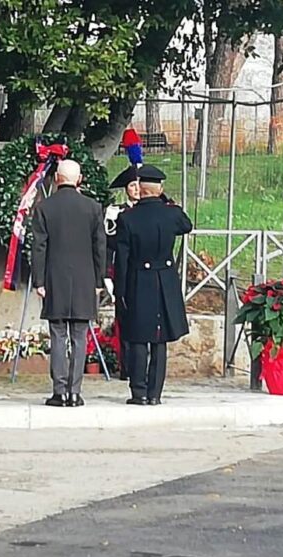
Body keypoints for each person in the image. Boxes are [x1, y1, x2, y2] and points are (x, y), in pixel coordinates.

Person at [114, 164, 193, 406]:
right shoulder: (171, 213)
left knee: (138, 337)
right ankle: (155, 393)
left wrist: (120, 291)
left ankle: (138, 393)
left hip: (138, 280)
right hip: (165, 281)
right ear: (159, 189)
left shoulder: (127, 218)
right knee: (159, 340)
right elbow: (186, 224)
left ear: (140, 189)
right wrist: (166, 201)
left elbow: (122, 258)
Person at [30, 159, 107, 407]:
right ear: (79, 179)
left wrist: (39, 280)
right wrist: (98, 280)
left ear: (56, 179)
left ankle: (59, 391)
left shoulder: (45, 207)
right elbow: (100, 248)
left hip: (55, 279)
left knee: (58, 335)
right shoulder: (93, 207)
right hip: (85, 280)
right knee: (80, 336)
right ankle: (75, 392)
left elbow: (39, 247)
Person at [104, 129, 143, 380]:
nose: (137, 189)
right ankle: (126, 366)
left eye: (140, 184)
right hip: (124, 274)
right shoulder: (115, 213)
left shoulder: (156, 209)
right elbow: (108, 246)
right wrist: (107, 275)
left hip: (147, 273)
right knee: (125, 320)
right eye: (132, 185)